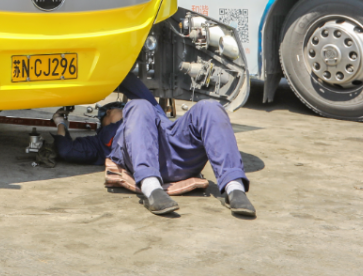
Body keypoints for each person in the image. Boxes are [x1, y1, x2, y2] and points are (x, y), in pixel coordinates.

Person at [51, 73, 256, 217]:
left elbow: (126, 79)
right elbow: (66, 150)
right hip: (140, 160)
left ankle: (234, 187)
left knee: (209, 108)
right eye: (108, 112)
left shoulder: (151, 109)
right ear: (104, 121)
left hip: (176, 150)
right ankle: (152, 189)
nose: (113, 110)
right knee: (139, 106)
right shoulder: (100, 141)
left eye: (116, 107)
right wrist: (60, 122)